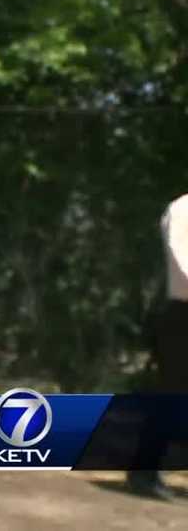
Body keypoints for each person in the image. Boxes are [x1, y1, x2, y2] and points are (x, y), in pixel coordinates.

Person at [126, 193, 188, 500]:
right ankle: (144, 473)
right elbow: (182, 265)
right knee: (172, 395)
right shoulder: (183, 209)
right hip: (182, 315)